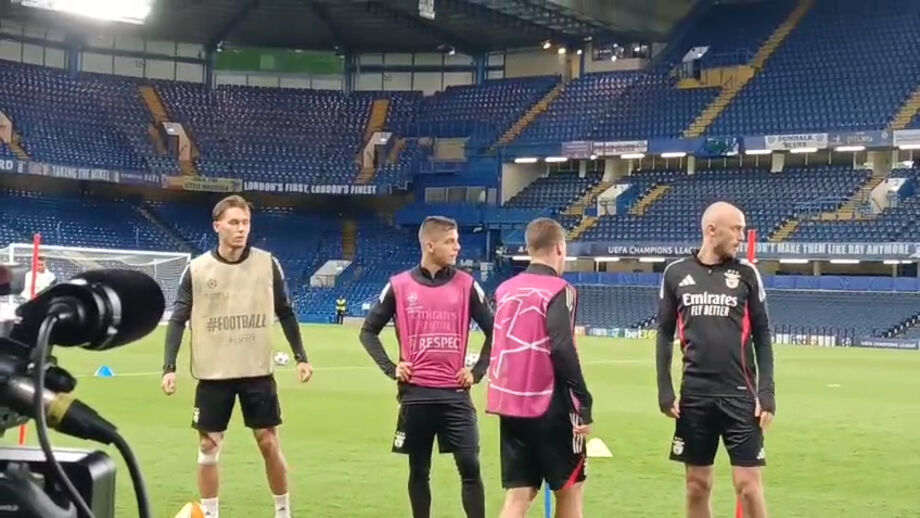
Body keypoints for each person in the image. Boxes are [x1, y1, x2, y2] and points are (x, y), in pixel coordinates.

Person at [160, 195, 313, 518]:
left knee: (268, 443)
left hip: (256, 370)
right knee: (207, 449)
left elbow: (286, 312)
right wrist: (169, 367)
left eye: (245, 222)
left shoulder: (266, 263)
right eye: (233, 222)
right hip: (214, 373)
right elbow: (177, 318)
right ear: (217, 226)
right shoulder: (198, 269)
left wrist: (301, 357)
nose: (241, 229)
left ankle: (283, 512)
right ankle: (211, 514)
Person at [359, 215, 493, 518]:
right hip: (416, 395)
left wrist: (477, 372)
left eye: (457, 240)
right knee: (419, 470)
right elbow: (368, 332)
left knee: (470, 468)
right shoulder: (399, 286)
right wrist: (391, 367)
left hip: (456, 395)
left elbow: (495, 330)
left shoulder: (467, 285)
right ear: (429, 245)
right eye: (450, 241)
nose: (458, 246)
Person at [656, 201, 775, 518]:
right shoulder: (676, 273)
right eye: (736, 229)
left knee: (748, 487)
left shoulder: (747, 274)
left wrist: (767, 393)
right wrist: (665, 390)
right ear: (712, 230)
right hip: (695, 395)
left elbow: (763, 336)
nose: (741, 236)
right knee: (697, 485)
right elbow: (664, 334)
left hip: (740, 395)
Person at [486, 217, 592, 518]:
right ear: (560, 248)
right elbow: (561, 346)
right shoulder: (560, 289)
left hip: (510, 402)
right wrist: (584, 399)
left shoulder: (505, 289)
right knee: (570, 489)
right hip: (551, 404)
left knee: (519, 493)